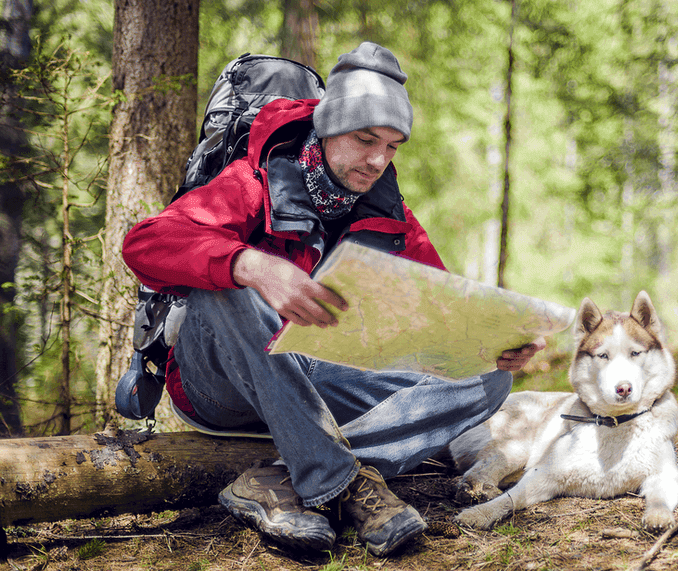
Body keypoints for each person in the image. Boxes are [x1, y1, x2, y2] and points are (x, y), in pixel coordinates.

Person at [122, 41, 544, 557]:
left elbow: (439, 311)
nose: (377, 160)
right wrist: (250, 265)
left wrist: (488, 344)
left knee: (491, 379)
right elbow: (144, 242)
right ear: (327, 127)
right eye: (366, 139)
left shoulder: (390, 216)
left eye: (391, 146)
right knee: (225, 291)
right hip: (221, 382)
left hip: (317, 378)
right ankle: (335, 478)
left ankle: (279, 477)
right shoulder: (252, 180)